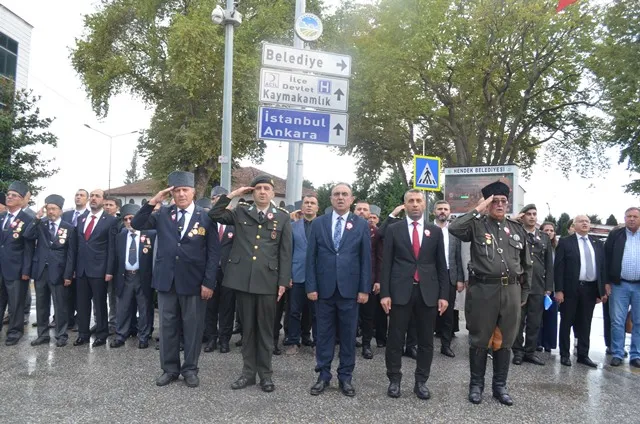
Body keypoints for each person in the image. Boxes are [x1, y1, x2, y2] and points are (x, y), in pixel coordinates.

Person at [132, 171, 219, 388]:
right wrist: (154, 201)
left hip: (194, 282)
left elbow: (213, 253)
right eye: (177, 190)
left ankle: (190, 369)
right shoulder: (163, 214)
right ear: (172, 193)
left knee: (193, 327)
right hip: (166, 281)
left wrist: (209, 282)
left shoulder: (206, 217)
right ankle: (169, 369)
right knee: (168, 327)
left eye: (185, 190)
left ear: (193, 192)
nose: (181, 194)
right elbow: (137, 223)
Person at [448, 181, 532, 406]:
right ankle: (476, 386)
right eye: (495, 201)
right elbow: (454, 228)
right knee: (480, 339)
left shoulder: (516, 229)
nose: (500, 205)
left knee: (504, 340)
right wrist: (478, 208)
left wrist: (523, 294)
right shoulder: (476, 225)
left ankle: (500, 387)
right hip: (484, 290)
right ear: (487, 203)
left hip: (511, 291)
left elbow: (527, 265)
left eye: (503, 201)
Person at [208, 176, 292, 393]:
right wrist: (234, 194)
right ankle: (248, 374)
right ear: (252, 192)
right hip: (243, 280)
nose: (262, 192)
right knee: (247, 330)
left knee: (265, 331)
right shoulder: (241, 211)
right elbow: (214, 214)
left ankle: (265, 375)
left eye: (267, 189)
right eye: (258, 189)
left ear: (273, 193)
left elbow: (285, 252)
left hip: (268, 281)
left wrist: (283, 281)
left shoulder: (282, 218)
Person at [380, 189, 449, 400]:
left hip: (427, 293)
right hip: (400, 292)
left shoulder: (434, 231)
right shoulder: (394, 230)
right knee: (395, 338)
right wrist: (385, 293)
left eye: (419, 200)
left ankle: (421, 382)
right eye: (411, 201)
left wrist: (444, 295)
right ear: (405, 205)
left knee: (426, 340)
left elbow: (441, 265)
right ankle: (394, 380)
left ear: (425, 205)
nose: (415, 204)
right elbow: (387, 264)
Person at [306, 183, 371, 397]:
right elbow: (311, 258)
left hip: (350, 291)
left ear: (351, 199)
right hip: (323, 290)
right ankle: (323, 375)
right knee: (323, 335)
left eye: (344, 194)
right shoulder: (319, 224)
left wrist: (364, 290)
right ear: (331, 199)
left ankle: (345, 377)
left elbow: (365, 260)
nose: (340, 198)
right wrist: (311, 286)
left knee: (348, 336)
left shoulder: (361, 225)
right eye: (336, 194)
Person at [23, 195, 76, 347]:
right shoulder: (41, 224)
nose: (50, 212)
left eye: (54, 209)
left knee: (60, 306)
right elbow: (27, 235)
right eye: (48, 209)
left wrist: (68, 274)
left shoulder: (69, 228)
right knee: (41, 305)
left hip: (59, 272)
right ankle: (43, 334)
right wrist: (37, 218)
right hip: (41, 271)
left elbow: (71, 254)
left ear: (60, 211)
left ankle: (61, 335)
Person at [554, 215, 605, 368]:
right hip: (571, 289)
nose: (584, 223)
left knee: (585, 323)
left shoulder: (596, 243)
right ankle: (564, 354)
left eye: (587, 221)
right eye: (581, 221)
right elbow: (559, 268)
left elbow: (601, 268)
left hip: (590, 289)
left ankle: (583, 355)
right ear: (574, 225)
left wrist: (599, 291)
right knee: (566, 321)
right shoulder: (565, 242)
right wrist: (559, 290)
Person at [74, 189, 117, 348]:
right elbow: (77, 245)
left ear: (103, 200)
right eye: (91, 196)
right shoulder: (81, 218)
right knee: (82, 304)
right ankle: (83, 334)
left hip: (100, 269)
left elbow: (112, 248)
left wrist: (109, 270)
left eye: (97, 196)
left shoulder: (110, 221)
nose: (93, 198)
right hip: (82, 269)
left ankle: (101, 334)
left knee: (100, 304)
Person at [511, 205, 554, 366]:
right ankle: (517, 352)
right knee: (518, 320)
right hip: (520, 284)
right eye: (528, 214)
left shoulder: (544, 237)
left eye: (534, 214)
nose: (532, 217)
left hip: (538, 284)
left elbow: (549, 263)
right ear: (523, 217)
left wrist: (548, 287)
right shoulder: (516, 233)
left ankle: (530, 351)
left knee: (535, 321)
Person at [110, 204, 156, 349]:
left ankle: (144, 336)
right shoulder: (121, 235)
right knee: (123, 308)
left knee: (144, 308)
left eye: (132, 218)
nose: (129, 222)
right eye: (126, 219)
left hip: (143, 276)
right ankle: (121, 335)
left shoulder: (150, 234)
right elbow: (115, 257)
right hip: (125, 276)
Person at [0, 181, 35, 345]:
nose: (9, 197)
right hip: (1, 267)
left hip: (16, 268)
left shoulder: (27, 219)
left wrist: (26, 271)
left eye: (14, 195)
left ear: (22, 199)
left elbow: (29, 249)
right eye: (8, 194)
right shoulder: (1, 217)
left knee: (16, 304)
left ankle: (14, 331)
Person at [604, 207, 640, 368]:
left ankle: (636, 355)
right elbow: (605, 259)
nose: (631, 219)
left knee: (638, 322)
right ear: (624, 218)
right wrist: (605, 282)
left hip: (639, 285)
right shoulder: (615, 235)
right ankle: (617, 352)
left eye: (635, 216)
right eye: (628, 216)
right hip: (619, 284)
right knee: (617, 321)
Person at [284, 195, 319, 355]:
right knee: (294, 311)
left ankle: (317, 342)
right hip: (297, 274)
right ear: (302, 207)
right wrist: (287, 275)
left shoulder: (324, 226)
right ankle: (293, 341)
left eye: (313, 203)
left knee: (317, 312)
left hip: (318, 277)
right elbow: (287, 252)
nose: (309, 206)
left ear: (317, 207)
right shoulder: (292, 226)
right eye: (307, 203)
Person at [203, 186, 236, 354]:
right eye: (214, 197)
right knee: (210, 308)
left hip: (229, 272)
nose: (216, 199)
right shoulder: (207, 221)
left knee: (227, 308)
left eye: (220, 197)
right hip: (210, 272)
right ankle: (211, 339)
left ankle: (224, 339)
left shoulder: (234, 222)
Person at [432, 200, 464, 358]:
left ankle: (446, 345)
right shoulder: (427, 229)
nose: (442, 211)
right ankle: (421, 345)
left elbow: (458, 256)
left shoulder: (453, 231)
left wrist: (460, 279)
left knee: (448, 314)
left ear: (449, 212)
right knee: (427, 311)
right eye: (440, 209)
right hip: (430, 275)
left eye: (445, 209)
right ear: (434, 212)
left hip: (450, 275)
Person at [353, 201, 383, 359]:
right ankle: (350, 342)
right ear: (354, 211)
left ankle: (366, 345)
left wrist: (378, 280)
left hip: (369, 279)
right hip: (349, 278)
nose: (362, 212)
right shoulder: (346, 227)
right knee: (350, 313)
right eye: (359, 209)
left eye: (365, 210)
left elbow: (379, 258)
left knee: (368, 315)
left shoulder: (375, 232)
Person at [537, 222, 558, 352]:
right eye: (546, 230)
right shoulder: (538, 245)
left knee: (551, 316)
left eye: (551, 230)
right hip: (539, 285)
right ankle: (537, 342)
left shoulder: (558, 248)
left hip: (553, 287)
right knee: (537, 316)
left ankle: (549, 343)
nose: (549, 232)